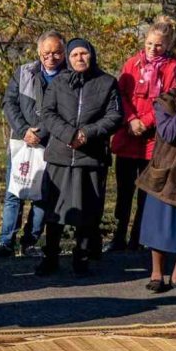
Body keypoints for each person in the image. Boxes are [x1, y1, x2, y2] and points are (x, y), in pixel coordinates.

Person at [37, 38, 122, 277]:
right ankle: (50, 257)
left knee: (88, 212)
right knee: (55, 210)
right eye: (74, 55)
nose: (79, 58)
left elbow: (115, 115)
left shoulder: (107, 83)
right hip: (60, 155)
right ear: (68, 58)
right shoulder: (59, 82)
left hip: (91, 157)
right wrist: (69, 134)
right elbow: (47, 112)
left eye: (83, 53)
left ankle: (81, 258)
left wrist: (87, 133)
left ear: (91, 55)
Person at [0, 32, 65, 259]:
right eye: (46, 53)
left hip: (50, 144)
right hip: (21, 142)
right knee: (15, 192)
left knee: (42, 196)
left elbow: (65, 112)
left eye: (56, 52)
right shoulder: (23, 72)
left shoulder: (69, 77)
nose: (51, 57)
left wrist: (40, 133)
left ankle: (30, 242)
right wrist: (24, 130)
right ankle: (6, 242)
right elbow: (9, 103)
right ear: (39, 52)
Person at [109, 20, 176, 252]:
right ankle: (118, 235)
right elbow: (120, 95)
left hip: (153, 140)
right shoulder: (132, 64)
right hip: (129, 137)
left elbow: (169, 102)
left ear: (167, 44)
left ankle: (138, 237)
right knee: (124, 190)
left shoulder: (172, 69)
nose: (152, 49)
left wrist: (146, 122)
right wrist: (131, 120)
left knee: (146, 193)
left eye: (158, 45)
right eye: (149, 43)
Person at [137, 61, 176, 292]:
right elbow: (170, 132)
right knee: (158, 228)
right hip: (166, 173)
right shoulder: (165, 102)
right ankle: (157, 273)